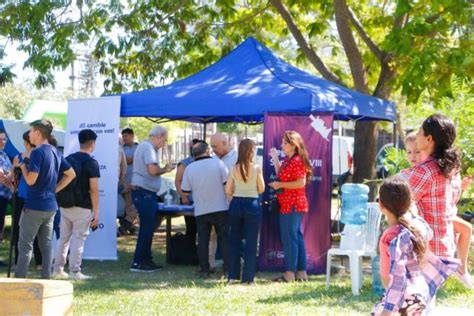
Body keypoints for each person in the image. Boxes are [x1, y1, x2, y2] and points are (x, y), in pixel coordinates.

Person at [372, 177, 459, 316]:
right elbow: (429, 233)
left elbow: (398, 277)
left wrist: (388, 309)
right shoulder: (417, 226)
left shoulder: (392, 237)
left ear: (380, 204)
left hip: (402, 297)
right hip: (419, 291)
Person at [14, 119, 75, 279]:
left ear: (38, 133)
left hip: (34, 205)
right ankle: (46, 277)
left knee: (25, 244)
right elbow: (71, 174)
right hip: (50, 206)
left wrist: (22, 167)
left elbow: (31, 180)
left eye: (32, 131)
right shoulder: (55, 151)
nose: (30, 134)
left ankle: (19, 278)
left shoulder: (37, 152)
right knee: (46, 244)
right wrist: (54, 189)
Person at [412, 133, 473, 288]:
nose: (413, 155)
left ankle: (462, 269)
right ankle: (461, 270)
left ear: (429, 140)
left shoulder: (437, 167)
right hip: (432, 222)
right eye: (409, 152)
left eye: (416, 152)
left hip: (444, 215)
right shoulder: (422, 170)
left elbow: (450, 196)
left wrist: (461, 186)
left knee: (466, 229)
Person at [408, 114, 461, 260]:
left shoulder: (424, 171)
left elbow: (400, 203)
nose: (416, 135)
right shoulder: (452, 169)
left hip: (426, 250)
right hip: (446, 246)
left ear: (429, 139)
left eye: (419, 132)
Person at [53, 129, 100, 280]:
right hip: (82, 206)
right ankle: (74, 271)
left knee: (63, 238)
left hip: (65, 204)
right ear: (92, 144)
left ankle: (57, 269)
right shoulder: (91, 163)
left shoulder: (68, 159)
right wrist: (96, 212)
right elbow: (94, 189)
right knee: (78, 238)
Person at [130, 125, 174, 272]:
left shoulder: (147, 148)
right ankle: (139, 261)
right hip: (145, 192)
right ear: (158, 136)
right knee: (147, 228)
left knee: (148, 227)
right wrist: (165, 169)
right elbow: (153, 170)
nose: (164, 143)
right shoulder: (148, 148)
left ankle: (145, 259)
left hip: (144, 192)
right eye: (164, 140)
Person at [181, 141, 229, 278]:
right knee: (224, 239)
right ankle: (227, 269)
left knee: (203, 240)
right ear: (207, 151)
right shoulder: (218, 163)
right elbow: (227, 183)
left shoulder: (190, 168)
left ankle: (204, 269)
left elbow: (185, 191)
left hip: (201, 209)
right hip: (220, 207)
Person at [269, 131, 311, 282]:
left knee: (289, 238)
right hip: (290, 204)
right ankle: (301, 272)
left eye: (284, 143)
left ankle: (289, 273)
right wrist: (275, 158)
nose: (282, 145)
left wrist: (279, 185)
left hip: (292, 204)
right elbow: (281, 173)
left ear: (293, 145)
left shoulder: (297, 160)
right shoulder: (289, 160)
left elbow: (301, 183)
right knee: (296, 237)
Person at [225, 139, 265, 284]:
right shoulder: (256, 168)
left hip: (236, 203)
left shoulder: (233, 168)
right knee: (251, 241)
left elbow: (227, 189)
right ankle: (248, 278)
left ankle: (232, 276)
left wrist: (233, 194)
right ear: (251, 151)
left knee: (234, 240)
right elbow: (261, 189)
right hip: (252, 204)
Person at [11, 131, 42, 268]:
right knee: (19, 229)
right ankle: (19, 260)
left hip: (34, 197)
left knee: (37, 229)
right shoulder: (18, 157)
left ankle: (39, 261)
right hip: (21, 196)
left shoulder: (39, 156)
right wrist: (15, 169)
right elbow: (13, 179)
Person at [209, 132, 237, 268]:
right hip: (216, 204)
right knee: (217, 234)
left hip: (232, 204)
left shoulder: (237, 158)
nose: (213, 149)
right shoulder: (213, 159)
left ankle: (232, 260)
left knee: (232, 234)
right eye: (211, 147)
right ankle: (217, 260)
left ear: (225, 144)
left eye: (215, 146)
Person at [174, 138, 200, 244]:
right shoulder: (184, 164)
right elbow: (177, 181)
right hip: (188, 200)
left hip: (201, 200)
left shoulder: (206, 162)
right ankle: (189, 251)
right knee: (191, 228)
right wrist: (183, 197)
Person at [120, 128, 139, 235]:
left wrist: (130, 159)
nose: (124, 138)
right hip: (125, 181)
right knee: (129, 205)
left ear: (132, 136)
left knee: (134, 205)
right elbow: (124, 161)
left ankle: (126, 225)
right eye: (123, 136)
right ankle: (129, 226)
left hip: (138, 181)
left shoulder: (139, 147)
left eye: (126, 136)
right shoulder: (121, 149)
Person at [0, 130, 13, 242]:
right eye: (0, 139)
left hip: (5, 195)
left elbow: (11, 173)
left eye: (4, 139)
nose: (2, 142)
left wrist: (9, 174)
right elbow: (2, 176)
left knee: (1, 222)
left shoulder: (4, 155)